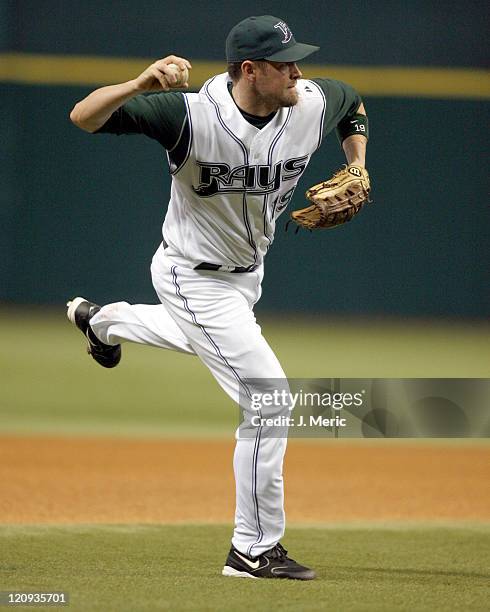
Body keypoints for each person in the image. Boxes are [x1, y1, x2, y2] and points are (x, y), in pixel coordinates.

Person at [67, 15, 369, 580]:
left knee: (200, 339)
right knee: (270, 398)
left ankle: (102, 322)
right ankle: (252, 550)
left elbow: (351, 101)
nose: (298, 72)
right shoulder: (189, 115)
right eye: (285, 64)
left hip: (245, 277)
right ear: (250, 70)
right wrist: (136, 86)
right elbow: (83, 117)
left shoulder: (308, 103)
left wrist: (357, 162)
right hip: (191, 274)